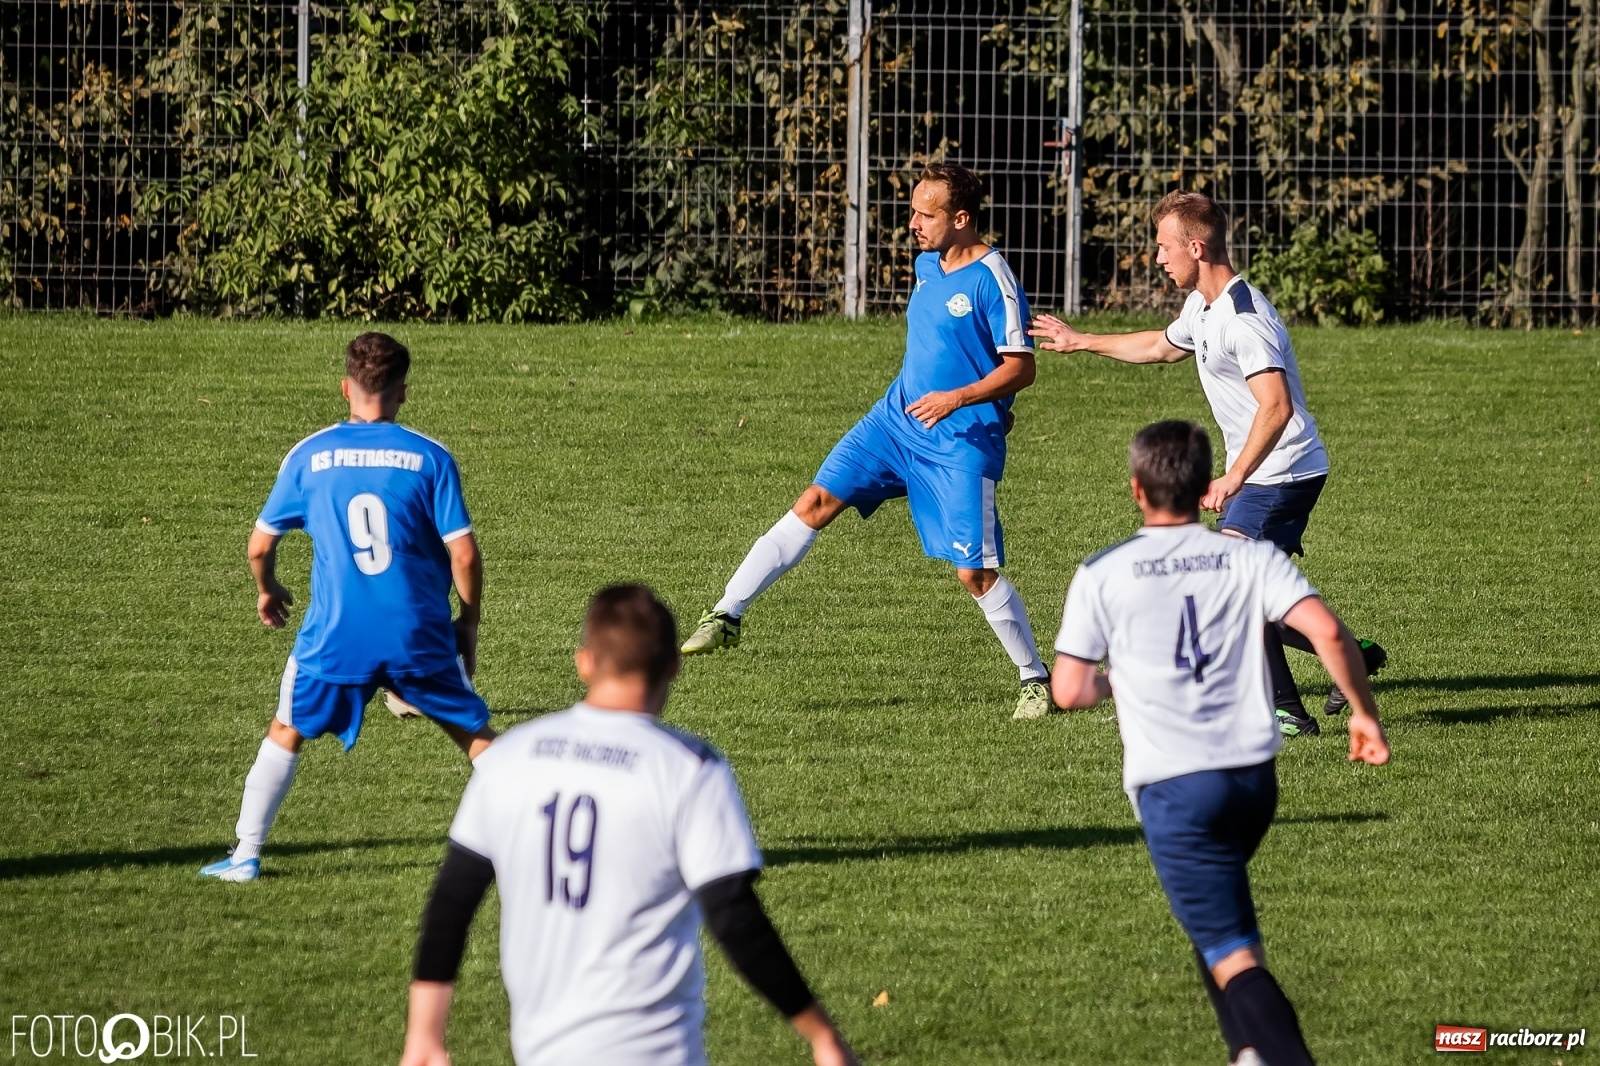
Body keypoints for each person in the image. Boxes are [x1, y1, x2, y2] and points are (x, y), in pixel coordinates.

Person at [399, 584, 859, 1066]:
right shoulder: (689, 767)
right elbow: (734, 917)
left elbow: (452, 900)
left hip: (541, 1051)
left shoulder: (512, 757)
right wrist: (821, 1035)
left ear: (585, 663)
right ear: (673, 667)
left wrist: (424, 1036)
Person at [1052, 420, 1390, 1066]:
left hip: (1177, 789)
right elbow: (1328, 632)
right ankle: (1248, 1053)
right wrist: (1364, 715)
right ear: (1208, 487)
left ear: (1136, 490)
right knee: (1220, 932)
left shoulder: (1104, 572)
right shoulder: (1251, 557)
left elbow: (1068, 690)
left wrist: (1119, 682)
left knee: (1234, 957)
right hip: (1253, 781)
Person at [681, 162, 1054, 720]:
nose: (913, 224)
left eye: (925, 215)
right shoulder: (927, 266)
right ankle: (726, 616)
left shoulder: (993, 279)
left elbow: (1021, 368)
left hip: (959, 440)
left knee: (972, 573)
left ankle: (1034, 678)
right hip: (895, 422)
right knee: (814, 502)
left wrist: (962, 399)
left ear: (961, 219)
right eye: (912, 211)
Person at [1028, 191, 1386, 737]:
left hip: (1282, 471)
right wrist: (1081, 342)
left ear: (1196, 247)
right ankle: (1346, 655)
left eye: (1164, 247)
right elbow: (1160, 348)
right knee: (1244, 589)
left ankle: (1288, 710)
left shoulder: (1246, 320)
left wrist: (1234, 476)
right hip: (1262, 471)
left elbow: (1277, 405)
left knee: (1235, 587)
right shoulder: (1202, 305)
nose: (1157, 258)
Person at [200, 332, 495, 882]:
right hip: (417, 633)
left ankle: (245, 856)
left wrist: (268, 588)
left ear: (345, 388)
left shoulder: (309, 455)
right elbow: (465, 555)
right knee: (475, 738)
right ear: (403, 392)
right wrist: (469, 621)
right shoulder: (430, 458)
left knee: (286, 729)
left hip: (336, 635)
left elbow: (260, 544)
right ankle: (534, 846)